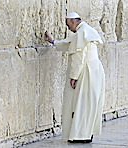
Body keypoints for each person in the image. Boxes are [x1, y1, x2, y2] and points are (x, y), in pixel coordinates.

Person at [45, 12, 105, 143]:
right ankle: (87, 133)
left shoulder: (80, 33)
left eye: (68, 25)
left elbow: (79, 56)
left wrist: (74, 77)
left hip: (85, 71)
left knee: (81, 103)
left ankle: (79, 135)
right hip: (96, 70)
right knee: (90, 103)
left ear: (73, 21)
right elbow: (68, 43)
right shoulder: (86, 30)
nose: (68, 28)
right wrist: (53, 41)